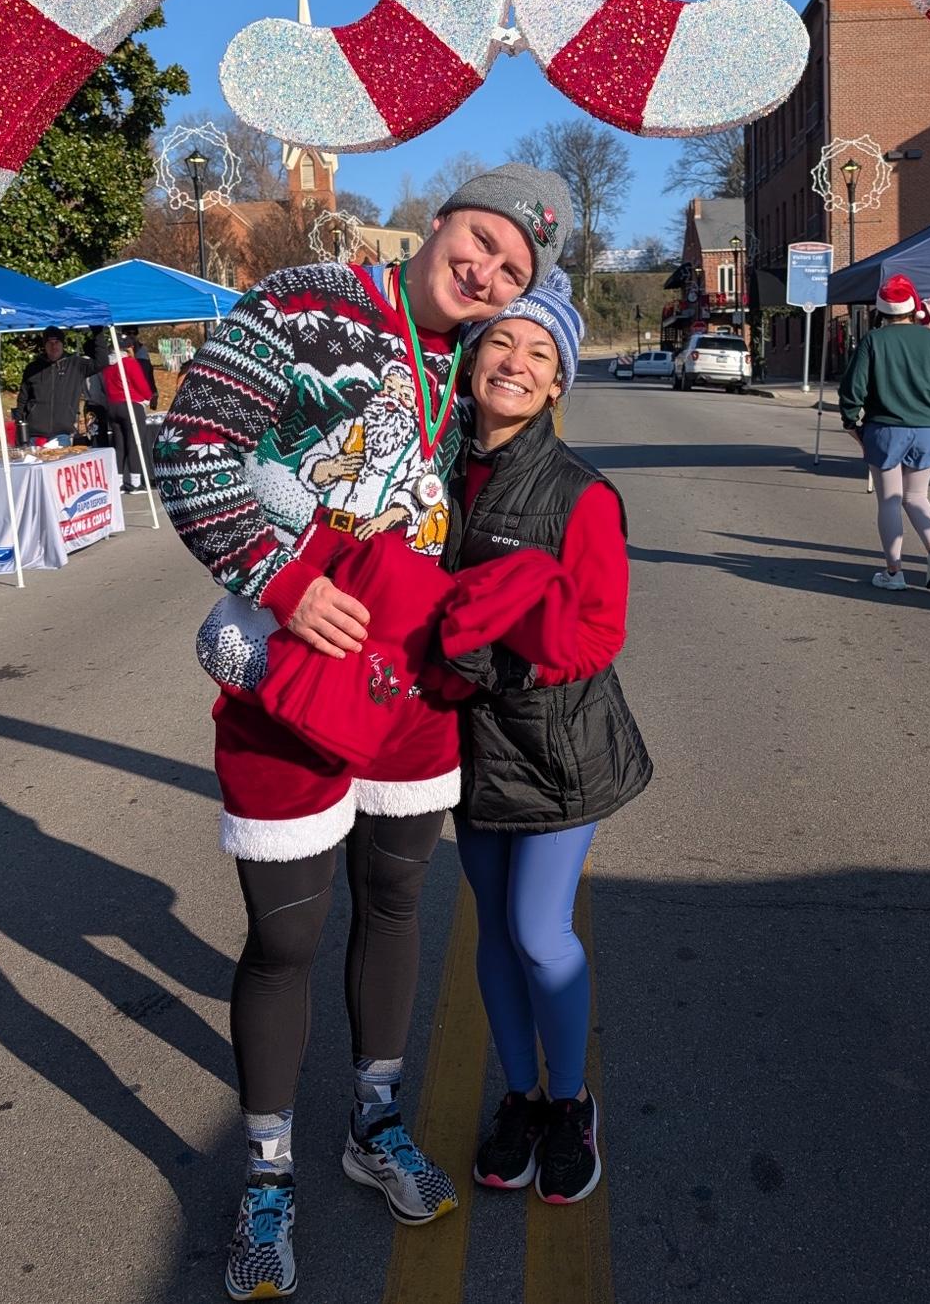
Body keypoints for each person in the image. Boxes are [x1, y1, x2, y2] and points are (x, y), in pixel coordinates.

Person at [155, 161, 572, 1303]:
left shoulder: (471, 365)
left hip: (413, 691)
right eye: (481, 240)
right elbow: (190, 445)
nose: (486, 273)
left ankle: (373, 1122)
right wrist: (283, 583)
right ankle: (267, 1171)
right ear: (440, 222)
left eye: (513, 271)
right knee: (286, 939)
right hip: (296, 676)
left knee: (394, 906)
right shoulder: (307, 300)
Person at [444, 269, 650, 1208]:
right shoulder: (431, 474)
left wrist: (499, 644)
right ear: (471, 357)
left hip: (557, 749)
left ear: (559, 381)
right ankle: (522, 1097)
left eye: (539, 354)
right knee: (493, 931)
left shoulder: (581, 494)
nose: (515, 364)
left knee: (539, 932)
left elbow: (598, 636)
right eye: (501, 342)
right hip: (464, 748)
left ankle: (571, 1104)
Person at [838, 274, 930, 591]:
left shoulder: (873, 341)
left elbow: (852, 389)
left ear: (881, 309)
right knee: (917, 496)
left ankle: (894, 572)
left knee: (890, 501)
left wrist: (851, 423)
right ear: (913, 307)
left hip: (885, 429)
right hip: (927, 429)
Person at [15, 326, 102, 444]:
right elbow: (23, 398)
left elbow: (101, 363)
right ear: (45, 345)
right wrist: (19, 424)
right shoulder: (33, 368)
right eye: (50, 343)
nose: (53, 346)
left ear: (62, 344)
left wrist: (98, 333)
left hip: (61, 435)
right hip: (34, 435)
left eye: (57, 342)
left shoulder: (76, 364)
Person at [101, 332, 157, 493]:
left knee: (119, 445)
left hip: (113, 406)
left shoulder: (107, 366)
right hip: (130, 405)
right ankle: (135, 482)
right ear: (127, 349)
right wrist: (148, 397)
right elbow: (141, 384)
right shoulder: (129, 363)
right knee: (135, 443)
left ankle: (119, 482)